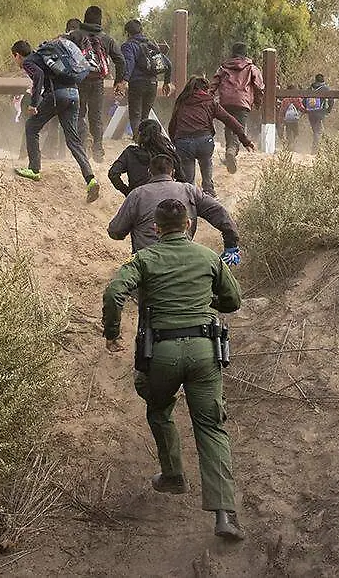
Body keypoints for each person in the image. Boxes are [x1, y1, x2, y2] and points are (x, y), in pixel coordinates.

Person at [102, 197, 245, 541]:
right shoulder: (209, 257)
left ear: (156, 228)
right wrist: (207, 302)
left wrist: (112, 333)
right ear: (188, 225)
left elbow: (114, 291)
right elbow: (233, 301)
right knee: (211, 427)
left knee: (158, 406)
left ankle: (173, 475)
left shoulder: (145, 258)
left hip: (161, 353)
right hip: (204, 352)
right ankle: (225, 515)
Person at [12, 40, 100, 202]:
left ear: (17, 55)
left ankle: (34, 169)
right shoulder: (46, 57)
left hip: (57, 95)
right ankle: (90, 179)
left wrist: (33, 104)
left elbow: (38, 76)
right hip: (74, 94)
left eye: (15, 58)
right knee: (73, 140)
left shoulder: (29, 62)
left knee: (31, 126)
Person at [107, 154, 241, 256]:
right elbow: (219, 212)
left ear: (149, 173)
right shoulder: (190, 191)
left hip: (146, 263)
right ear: (173, 173)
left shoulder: (137, 195)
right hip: (183, 259)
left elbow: (115, 231)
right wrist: (231, 244)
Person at [169, 76, 255, 197]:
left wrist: (175, 143)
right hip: (204, 141)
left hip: (183, 142)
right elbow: (229, 120)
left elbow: (172, 125)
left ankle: (189, 199)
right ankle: (209, 192)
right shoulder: (210, 102)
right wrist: (245, 141)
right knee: (206, 164)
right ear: (205, 89)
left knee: (187, 183)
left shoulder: (181, 101)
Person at [66, 6, 126, 163]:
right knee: (96, 116)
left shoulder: (75, 36)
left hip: (78, 81)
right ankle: (98, 149)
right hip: (98, 82)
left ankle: (84, 139)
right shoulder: (107, 39)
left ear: (85, 18)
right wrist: (118, 81)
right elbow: (120, 60)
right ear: (100, 20)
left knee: (78, 114)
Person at [211, 42, 265, 174]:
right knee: (239, 128)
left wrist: (208, 97)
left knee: (228, 127)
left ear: (232, 53)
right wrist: (257, 102)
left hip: (226, 102)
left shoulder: (223, 67)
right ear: (245, 53)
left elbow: (214, 83)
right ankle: (232, 150)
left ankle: (229, 151)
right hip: (242, 102)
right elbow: (259, 87)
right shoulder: (252, 68)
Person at [118, 19, 172, 137]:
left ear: (127, 33)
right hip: (153, 84)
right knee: (145, 117)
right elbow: (168, 63)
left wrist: (124, 80)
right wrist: (167, 82)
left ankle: (138, 140)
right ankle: (146, 142)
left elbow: (129, 63)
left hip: (137, 84)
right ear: (141, 30)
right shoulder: (151, 45)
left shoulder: (128, 45)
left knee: (135, 115)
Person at [108, 119, 182, 196]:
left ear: (140, 135)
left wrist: (128, 192)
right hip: (164, 199)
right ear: (159, 135)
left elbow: (113, 174)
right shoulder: (168, 154)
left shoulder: (130, 152)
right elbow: (181, 179)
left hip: (138, 197)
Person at [304, 73, 335, 153]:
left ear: (315, 80)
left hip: (311, 113)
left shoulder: (309, 88)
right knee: (318, 131)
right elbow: (331, 100)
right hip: (320, 112)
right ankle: (315, 150)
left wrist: (306, 109)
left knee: (315, 130)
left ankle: (316, 148)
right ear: (323, 80)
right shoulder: (325, 89)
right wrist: (328, 110)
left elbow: (304, 100)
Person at [279, 87, 306, 152]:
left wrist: (281, 120)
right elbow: (301, 108)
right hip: (295, 119)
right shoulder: (297, 99)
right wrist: (303, 112)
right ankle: (294, 146)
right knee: (296, 133)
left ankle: (289, 146)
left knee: (288, 133)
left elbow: (282, 111)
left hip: (287, 119)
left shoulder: (285, 100)